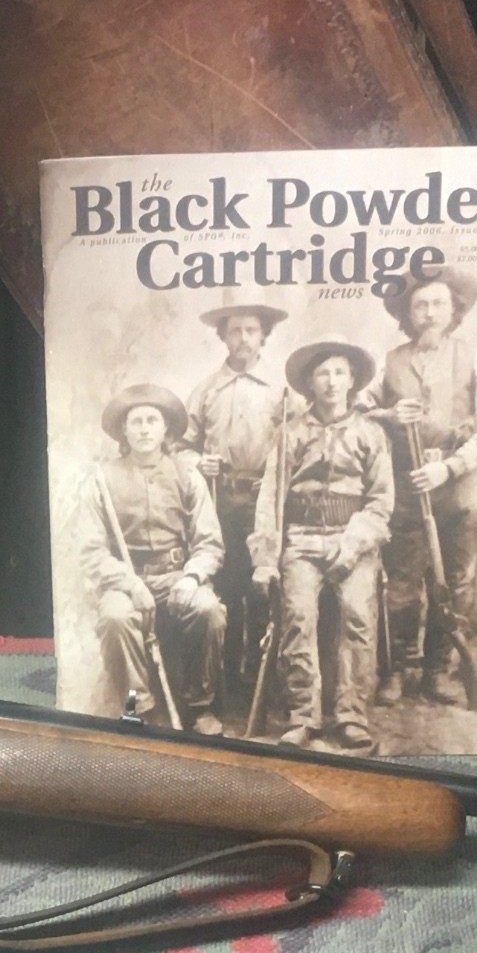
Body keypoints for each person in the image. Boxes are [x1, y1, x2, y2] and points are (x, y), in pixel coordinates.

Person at [251, 343, 392, 751]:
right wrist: (265, 559)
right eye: (322, 374)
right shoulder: (291, 433)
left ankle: (352, 715)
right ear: (310, 383)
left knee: (358, 614)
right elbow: (270, 499)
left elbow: (381, 502)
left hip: (355, 540)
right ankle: (302, 714)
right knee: (298, 615)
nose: (331, 382)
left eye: (339, 373)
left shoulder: (371, 433)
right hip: (302, 538)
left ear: (352, 381)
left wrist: (353, 544)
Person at [372, 266, 477, 710]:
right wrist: (389, 416)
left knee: (455, 585)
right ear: (407, 313)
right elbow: (357, 412)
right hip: (406, 490)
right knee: (401, 584)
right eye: (420, 305)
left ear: (453, 310)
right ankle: (398, 671)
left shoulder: (475, 359)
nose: (428, 313)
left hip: (459, 491)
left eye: (438, 304)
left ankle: (437, 672)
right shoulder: (389, 362)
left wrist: (449, 467)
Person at [75, 383, 227, 731]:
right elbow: (91, 549)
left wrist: (191, 578)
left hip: (177, 576)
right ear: (124, 431)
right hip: (125, 580)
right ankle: (137, 707)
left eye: (152, 421)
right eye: (136, 422)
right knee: (115, 617)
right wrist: (129, 584)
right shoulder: (102, 479)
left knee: (209, 610)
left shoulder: (187, 475)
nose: (144, 429)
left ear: (165, 429)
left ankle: (199, 706)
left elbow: (209, 542)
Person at [184, 303, 286, 714]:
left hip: (265, 503)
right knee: (226, 588)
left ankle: (261, 680)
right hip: (220, 502)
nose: (243, 338)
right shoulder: (207, 390)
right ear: (223, 336)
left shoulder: (281, 390)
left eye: (252, 330)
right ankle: (224, 682)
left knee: (263, 590)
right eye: (235, 331)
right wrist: (198, 462)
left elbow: (300, 439)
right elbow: (182, 444)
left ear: (263, 336)